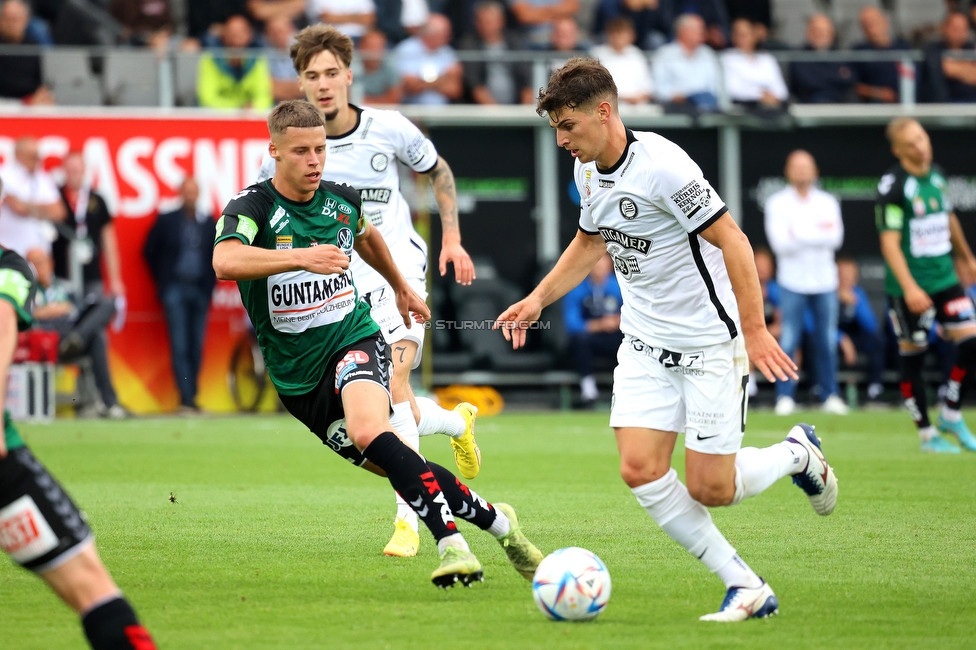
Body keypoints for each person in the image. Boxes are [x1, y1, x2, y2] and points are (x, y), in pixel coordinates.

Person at [498, 58, 837, 621]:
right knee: (639, 469)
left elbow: (735, 243)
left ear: (604, 112)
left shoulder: (664, 166)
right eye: (556, 129)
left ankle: (797, 454)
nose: (561, 140)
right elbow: (589, 243)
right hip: (644, 344)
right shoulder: (586, 171)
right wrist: (537, 299)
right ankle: (745, 585)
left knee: (713, 488)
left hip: (708, 345)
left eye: (569, 127)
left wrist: (754, 332)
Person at [215, 99, 543, 586]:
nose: (314, 161)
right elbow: (226, 262)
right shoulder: (252, 207)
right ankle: (501, 523)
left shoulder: (340, 200)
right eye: (301, 151)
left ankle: (451, 546)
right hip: (298, 380)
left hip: (354, 336)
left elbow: (368, 236)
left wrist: (401, 287)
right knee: (397, 463)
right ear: (275, 152)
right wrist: (301, 258)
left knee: (371, 428)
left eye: (320, 150)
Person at [255, 24, 482, 559]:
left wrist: (452, 237)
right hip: (338, 291)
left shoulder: (390, 127)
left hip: (397, 274)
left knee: (395, 381)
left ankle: (410, 521)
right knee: (375, 413)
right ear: (301, 83)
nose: (323, 84)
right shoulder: (283, 158)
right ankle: (455, 419)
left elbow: (438, 170)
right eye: (311, 75)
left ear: (350, 75)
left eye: (332, 72)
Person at [0, 245, 156, 650]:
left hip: (63, 328)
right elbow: (3, 324)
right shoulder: (9, 267)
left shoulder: (41, 279)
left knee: (94, 322)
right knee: (91, 586)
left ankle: (82, 353)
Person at [877, 117, 976, 454]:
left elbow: (947, 218)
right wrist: (909, 287)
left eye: (922, 138)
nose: (921, 147)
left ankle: (950, 413)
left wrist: (966, 258)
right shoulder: (894, 186)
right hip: (910, 288)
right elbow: (889, 242)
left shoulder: (937, 175)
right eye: (912, 144)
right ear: (898, 150)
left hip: (945, 278)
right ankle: (927, 434)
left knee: (971, 342)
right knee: (913, 359)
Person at [764, 150, 847, 416]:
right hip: (792, 282)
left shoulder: (827, 201)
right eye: (796, 167)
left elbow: (835, 238)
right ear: (787, 171)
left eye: (806, 167)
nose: (801, 171)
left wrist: (798, 232)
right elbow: (780, 244)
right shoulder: (777, 203)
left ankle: (830, 394)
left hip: (825, 282)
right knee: (788, 339)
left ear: (815, 171)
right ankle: (785, 397)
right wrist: (817, 232)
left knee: (827, 341)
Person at [143, 177, 217, 414]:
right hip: (175, 288)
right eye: (186, 192)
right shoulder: (167, 220)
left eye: (194, 192)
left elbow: (217, 253)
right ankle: (185, 398)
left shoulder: (208, 222)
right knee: (180, 344)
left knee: (196, 344)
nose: (190, 196)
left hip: (199, 289)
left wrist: (208, 285)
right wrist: (163, 281)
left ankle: (192, 396)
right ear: (180, 194)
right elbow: (148, 250)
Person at [25, 248, 126, 419]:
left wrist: (65, 309)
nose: (36, 268)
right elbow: (25, 315)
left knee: (107, 307)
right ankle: (110, 403)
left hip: (71, 332)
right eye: (31, 264)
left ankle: (78, 338)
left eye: (40, 263)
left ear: (51, 263)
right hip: (48, 340)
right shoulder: (26, 289)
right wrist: (55, 309)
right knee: (96, 336)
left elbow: (76, 309)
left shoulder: (64, 287)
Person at [562, 253, 622, 408]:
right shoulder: (576, 289)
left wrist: (618, 321)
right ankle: (588, 390)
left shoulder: (620, 287)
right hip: (590, 339)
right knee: (579, 340)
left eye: (603, 263)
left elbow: (637, 314)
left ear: (610, 265)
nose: (599, 267)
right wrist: (600, 324)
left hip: (616, 336)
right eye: (595, 263)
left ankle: (627, 389)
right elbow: (572, 324)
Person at [0, 136, 66, 257]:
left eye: (38, 155)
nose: (37, 159)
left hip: (40, 253)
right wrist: (44, 208)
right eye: (32, 155)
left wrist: (26, 205)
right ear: (19, 155)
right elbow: (19, 208)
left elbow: (59, 212)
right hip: (12, 250)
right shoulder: (4, 175)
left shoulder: (43, 178)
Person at [458, 0, 533, 106]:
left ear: (501, 21)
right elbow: (475, 85)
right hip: (482, 112)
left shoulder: (515, 42)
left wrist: (525, 113)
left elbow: (526, 80)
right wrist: (498, 115)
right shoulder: (468, 45)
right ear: (477, 23)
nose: (487, 26)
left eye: (490, 22)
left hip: (516, 108)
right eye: (483, 22)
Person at [197, 15, 274, 109]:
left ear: (250, 35)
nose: (236, 39)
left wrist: (254, 107)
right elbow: (207, 99)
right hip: (219, 117)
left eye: (241, 33)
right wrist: (237, 108)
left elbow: (264, 96)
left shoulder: (257, 59)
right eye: (232, 33)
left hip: (249, 116)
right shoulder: (211, 58)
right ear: (224, 35)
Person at [836, 257, 884, 403]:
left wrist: (856, 304)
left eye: (850, 275)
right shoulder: (827, 295)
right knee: (818, 341)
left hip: (856, 339)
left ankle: (875, 388)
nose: (846, 278)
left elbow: (871, 326)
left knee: (878, 340)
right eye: (842, 274)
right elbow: (817, 327)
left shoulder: (859, 294)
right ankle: (824, 390)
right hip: (835, 341)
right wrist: (841, 338)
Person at [651, 14, 720, 112]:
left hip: (708, 108)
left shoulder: (708, 54)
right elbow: (659, 89)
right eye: (698, 29)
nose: (703, 32)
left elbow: (716, 88)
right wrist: (679, 97)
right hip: (676, 108)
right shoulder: (665, 54)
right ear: (683, 31)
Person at [720, 17, 787, 111]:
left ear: (754, 36)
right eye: (740, 35)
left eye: (747, 34)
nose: (744, 38)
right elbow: (733, 89)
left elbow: (781, 91)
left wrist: (770, 97)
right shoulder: (727, 58)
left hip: (773, 106)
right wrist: (761, 95)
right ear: (733, 37)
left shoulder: (767, 59)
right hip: (745, 107)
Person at [394, 14, 463, 105]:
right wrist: (442, 79)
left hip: (442, 114)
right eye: (445, 33)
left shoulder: (447, 52)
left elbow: (455, 90)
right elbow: (409, 87)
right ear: (432, 34)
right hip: (411, 113)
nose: (450, 37)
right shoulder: (406, 50)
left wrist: (422, 81)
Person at [789, 14, 855, 104]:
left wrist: (821, 76)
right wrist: (836, 78)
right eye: (816, 31)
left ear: (832, 34)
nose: (821, 35)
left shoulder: (841, 55)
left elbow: (850, 80)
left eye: (825, 31)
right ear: (808, 33)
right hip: (811, 104)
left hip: (841, 103)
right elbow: (806, 82)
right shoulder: (799, 56)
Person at [591, 17, 654, 105]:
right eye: (616, 33)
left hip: (639, 106)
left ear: (631, 36)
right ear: (609, 34)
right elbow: (596, 89)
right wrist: (623, 98)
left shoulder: (637, 54)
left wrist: (638, 98)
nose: (619, 37)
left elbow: (648, 88)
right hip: (610, 105)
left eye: (623, 34)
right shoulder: (597, 54)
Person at [0, 0, 53, 104]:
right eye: (7, 19)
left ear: (25, 19)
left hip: (29, 104)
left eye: (15, 19)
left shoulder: (34, 48)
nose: (11, 24)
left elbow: (43, 81)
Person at [852, 7, 909, 104]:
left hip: (906, 103)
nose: (871, 27)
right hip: (874, 106)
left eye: (874, 22)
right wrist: (877, 93)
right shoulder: (858, 52)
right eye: (866, 24)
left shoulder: (904, 47)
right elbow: (852, 85)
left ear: (885, 21)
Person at [919, 13, 976, 104]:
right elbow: (947, 69)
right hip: (944, 104)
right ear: (945, 28)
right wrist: (967, 68)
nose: (959, 32)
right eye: (955, 28)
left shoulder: (971, 48)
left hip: (971, 101)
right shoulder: (933, 48)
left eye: (963, 28)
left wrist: (956, 68)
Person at [593, 0, 671, 52]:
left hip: (637, 38)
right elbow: (615, 27)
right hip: (606, 39)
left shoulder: (647, 6)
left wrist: (651, 10)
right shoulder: (610, 3)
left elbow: (666, 27)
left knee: (656, 39)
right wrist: (630, 9)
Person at [265, 15, 304, 102]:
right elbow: (266, 88)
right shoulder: (263, 57)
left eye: (281, 31)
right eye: (273, 33)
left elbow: (308, 86)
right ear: (267, 35)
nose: (278, 36)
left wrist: (279, 87)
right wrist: (295, 87)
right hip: (273, 105)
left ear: (292, 31)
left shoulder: (304, 55)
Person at [357, 29, 402, 104]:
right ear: (361, 47)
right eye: (370, 46)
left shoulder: (390, 65)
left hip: (384, 112)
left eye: (378, 47)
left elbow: (394, 98)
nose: (374, 51)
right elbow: (347, 97)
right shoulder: (350, 66)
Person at [508, 0, 579, 47]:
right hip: (531, 38)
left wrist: (537, 12)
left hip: (560, 34)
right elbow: (525, 16)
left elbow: (572, 7)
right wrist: (557, 12)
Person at [306, 0, 376, 42]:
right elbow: (327, 18)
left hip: (359, 37)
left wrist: (338, 17)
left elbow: (368, 18)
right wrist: (357, 17)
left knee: (374, 40)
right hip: (329, 37)